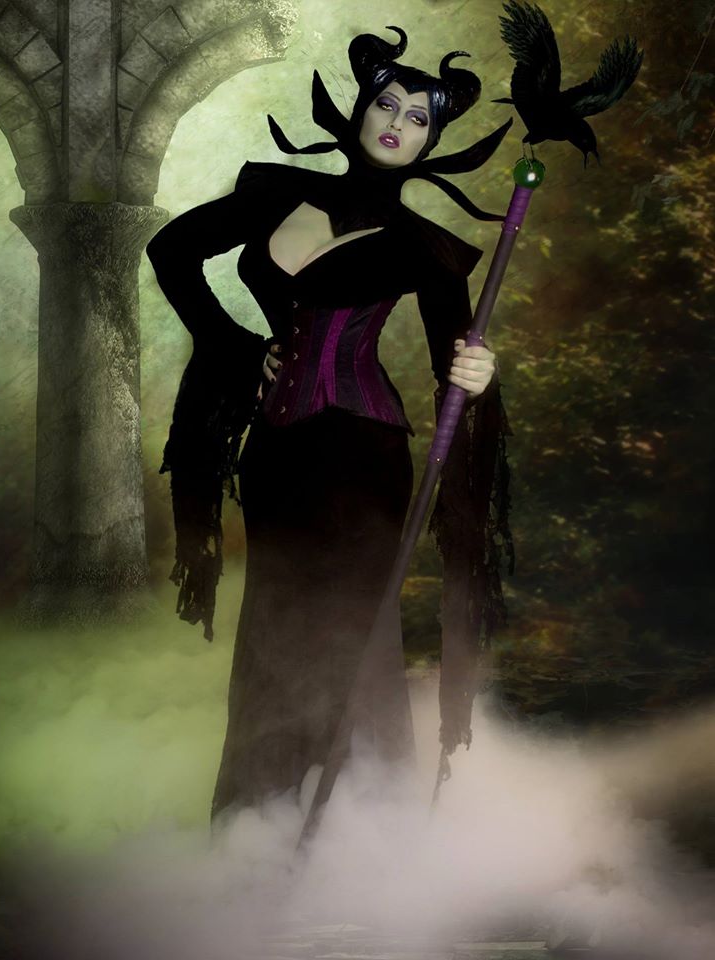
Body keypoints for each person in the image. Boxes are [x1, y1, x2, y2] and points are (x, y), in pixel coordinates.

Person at [146, 28, 513, 822]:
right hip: (276, 453)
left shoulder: (425, 249)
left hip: (363, 457)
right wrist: (237, 346)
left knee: (356, 628)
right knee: (274, 621)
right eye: (387, 104)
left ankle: (362, 826)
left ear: (431, 140)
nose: (397, 123)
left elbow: (458, 360)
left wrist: (479, 376)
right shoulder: (275, 196)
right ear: (359, 111)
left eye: (418, 117)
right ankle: (259, 816)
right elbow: (170, 250)